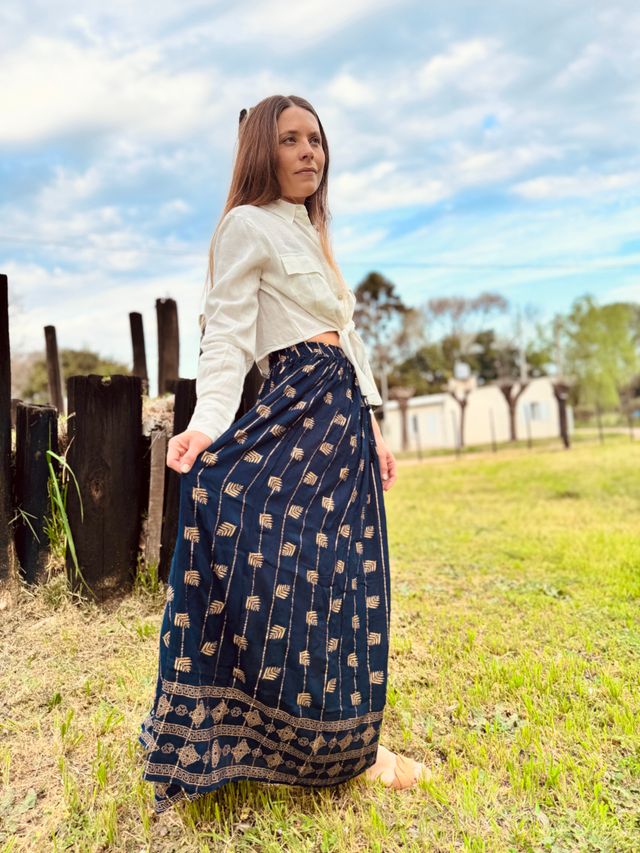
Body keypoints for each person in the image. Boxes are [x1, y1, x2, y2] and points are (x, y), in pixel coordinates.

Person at [138, 94, 430, 814]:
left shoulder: (314, 232)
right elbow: (227, 332)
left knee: (346, 584)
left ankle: (353, 747)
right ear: (261, 150)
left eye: (317, 140)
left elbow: (347, 341)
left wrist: (374, 427)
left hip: (343, 419)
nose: (309, 152)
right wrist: (207, 424)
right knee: (290, 575)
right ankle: (260, 737)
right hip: (296, 409)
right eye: (292, 139)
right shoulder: (246, 225)